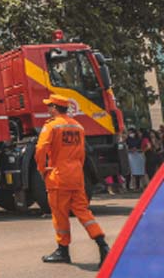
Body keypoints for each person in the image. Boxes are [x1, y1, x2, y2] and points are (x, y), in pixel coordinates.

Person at [35, 94, 110, 266]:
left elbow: (41, 149)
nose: (47, 109)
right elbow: (82, 154)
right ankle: (103, 245)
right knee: (84, 213)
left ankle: (63, 251)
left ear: (55, 108)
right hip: (76, 176)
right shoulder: (78, 126)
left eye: (49, 106)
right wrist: (76, 169)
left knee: (60, 215)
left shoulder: (52, 126)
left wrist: (41, 169)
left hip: (59, 176)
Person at [125, 127, 146, 191]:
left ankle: (138, 186)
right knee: (129, 171)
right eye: (129, 132)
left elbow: (142, 146)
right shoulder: (127, 139)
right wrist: (130, 150)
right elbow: (125, 147)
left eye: (131, 132)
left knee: (138, 171)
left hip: (138, 155)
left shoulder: (139, 139)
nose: (130, 134)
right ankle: (128, 186)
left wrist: (137, 149)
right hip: (130, 155)